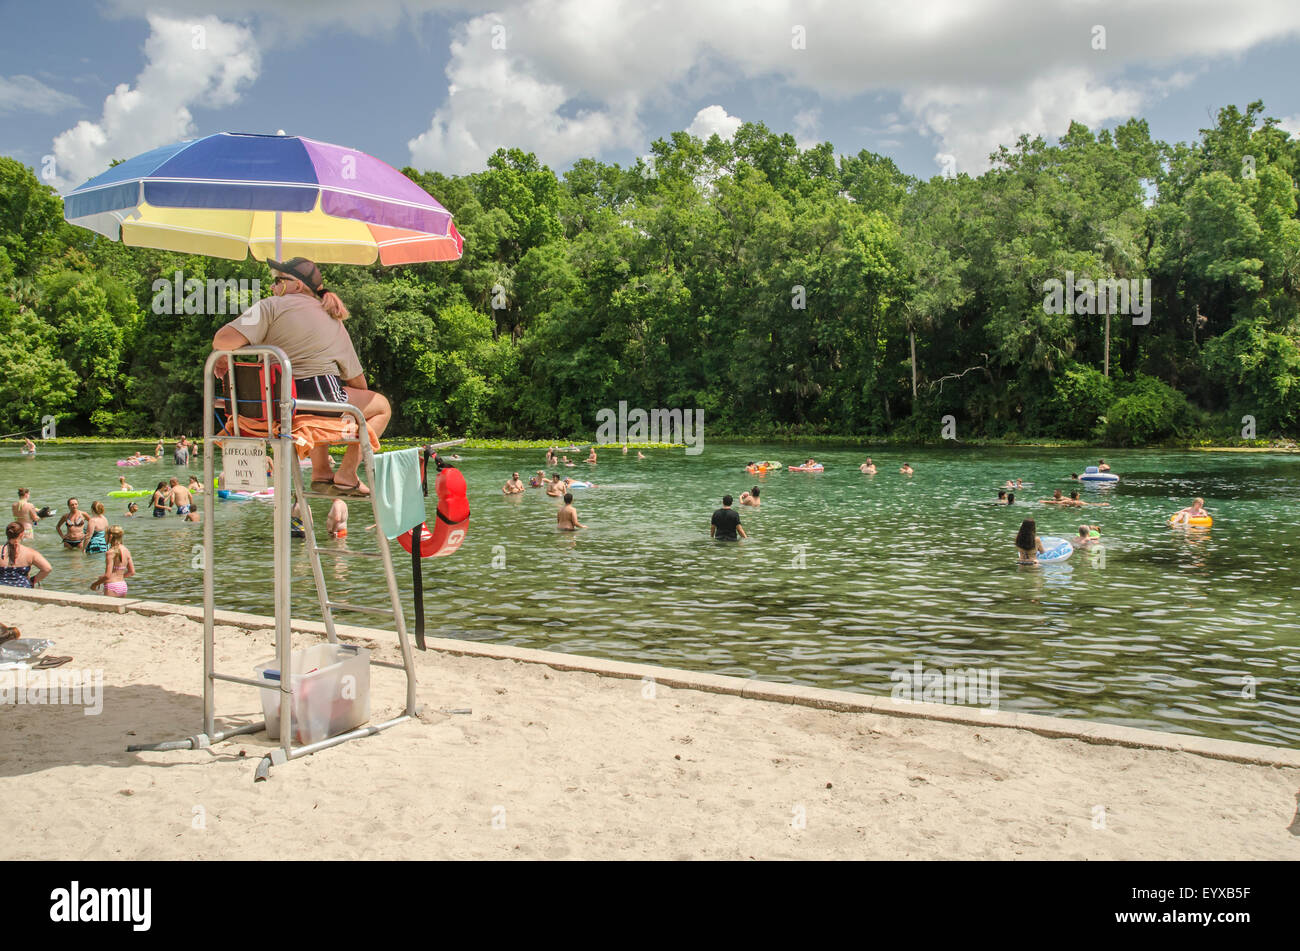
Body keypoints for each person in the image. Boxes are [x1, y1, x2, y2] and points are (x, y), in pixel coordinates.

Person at [211, 256, 390, 498]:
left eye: (277, 281)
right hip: (315, 398)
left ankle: (322, 472)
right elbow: (358, 382)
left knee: (315, 409)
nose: (272, 287)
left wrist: (223, 355)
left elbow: (222, 341)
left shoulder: (268, 307)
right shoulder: (332, 319)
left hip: (267, 407)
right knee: (381, 406)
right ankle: (347, 473)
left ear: (296, 284)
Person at [0, 522, 52, 588]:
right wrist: (32, 581)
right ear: (21, 535)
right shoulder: (30, 552)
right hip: (23, 588)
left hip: (2, 588)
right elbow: (47, 569)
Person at [91, 526, 134, 597]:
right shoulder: (126, 550)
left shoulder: (110, 552)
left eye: (105, 535)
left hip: (111, 586)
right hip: (122, 585)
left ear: (110, 536)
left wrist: (95, 584)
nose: (104, 537)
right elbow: (132, 572)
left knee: (107, 608)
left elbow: (107, 576)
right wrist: (118, 576)